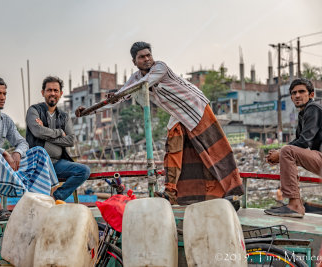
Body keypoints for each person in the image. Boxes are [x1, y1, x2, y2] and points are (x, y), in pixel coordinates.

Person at [76, 42, 244, 205]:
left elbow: (140, 86)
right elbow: (121, 96)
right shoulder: (135, 78)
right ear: (134, 62)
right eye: (142, 57)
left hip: (195, 108)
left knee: (215, 151)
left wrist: (117, 94)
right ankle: (170, 192)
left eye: (148, 55)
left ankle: (233, 193)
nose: (147, 59)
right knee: (173, 149)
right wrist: (88, 111)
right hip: (178, 114)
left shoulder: (159, 68)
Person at [0, 77, 58, 220]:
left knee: (39, 152)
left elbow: (22, 142)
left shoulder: (6, 120)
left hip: (1, 165)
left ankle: (40, 203)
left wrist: (17, 153)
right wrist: (3, 153)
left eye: (4, 94)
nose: (2, 97)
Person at [264, 78, 322, 218]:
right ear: (290, 97)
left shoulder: (313, 108)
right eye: (294, 93)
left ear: (311, 94)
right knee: (287, 151)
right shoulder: (303, 114)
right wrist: (279, 153)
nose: (297, 95)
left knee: (287, 151)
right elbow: (297, 140)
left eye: (302, 92)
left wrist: (280, 152)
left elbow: (304, 142)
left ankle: (295, 205)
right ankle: (294, 203)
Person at [26, 76, 90, 201]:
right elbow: (37, 131)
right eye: (49, 90)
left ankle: (56, 197)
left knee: (83, 171)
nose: (52, 93)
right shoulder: (34, 111)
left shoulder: (64, 116)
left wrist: (46, 134)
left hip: (57, 163)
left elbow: (71, 140)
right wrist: (60, 132)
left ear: (60, 94)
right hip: (38, 163)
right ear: (43, 92)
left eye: (56, 91)